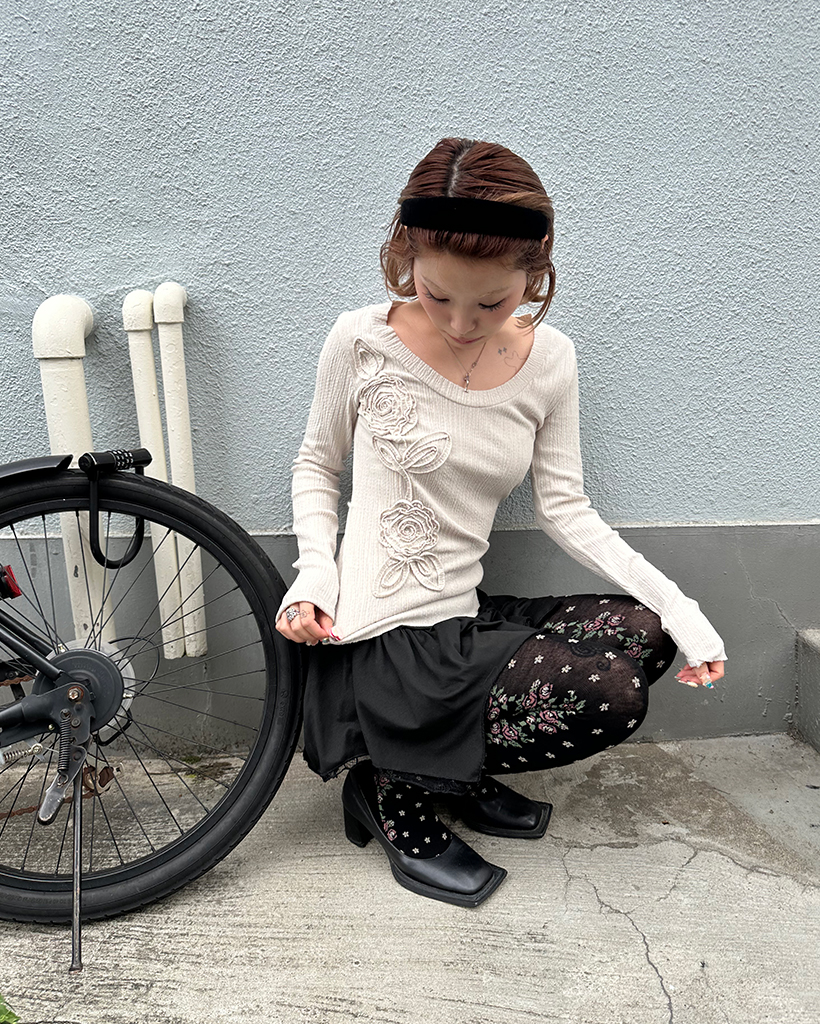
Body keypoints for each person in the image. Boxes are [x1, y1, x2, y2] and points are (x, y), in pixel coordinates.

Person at [275, 137, 726, 908]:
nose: (461, 324)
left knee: (645, 635)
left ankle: (449, 769)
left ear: (534, 272)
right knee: (609, 693)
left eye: (491, 303)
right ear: (406, 256)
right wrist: (313, 575)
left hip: (462, 613)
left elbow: (567, 508)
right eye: (436, 295)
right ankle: (393, 793)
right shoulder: (361, 339)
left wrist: (683, 609)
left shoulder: (551, 360)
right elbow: (317, 465)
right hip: (386, 636)